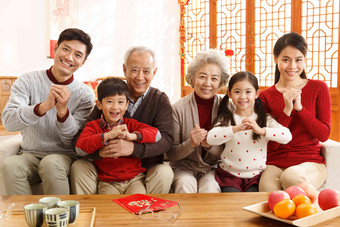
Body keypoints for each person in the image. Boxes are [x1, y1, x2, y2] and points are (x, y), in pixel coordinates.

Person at [1, 28, 95, 195]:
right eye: (65, 49)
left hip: (64, 156)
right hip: (30, 154)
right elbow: (9, 123)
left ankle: (60, 219)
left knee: (50, 163)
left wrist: (63, 112)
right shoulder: (27, 81)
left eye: (78, 55)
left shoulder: (85, 94)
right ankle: (25, 219)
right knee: (10, 165)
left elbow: (74, 141)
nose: (69, 57)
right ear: (55, 49)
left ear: (83, 61)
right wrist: (41, 108)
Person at [70, 46, 174, 194]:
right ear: (124, 69)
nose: (140, 77)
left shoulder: (159, 100)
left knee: (164, 172)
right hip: (109, 172)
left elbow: (166, 140)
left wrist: (133, 148)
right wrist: (103, 150)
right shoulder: (109, 96)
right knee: (79, 166)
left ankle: (150, 213)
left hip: (143, 169)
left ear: (154, 72)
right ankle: (92, 212)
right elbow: (79, 142)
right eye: (134, 70)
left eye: (146, 71)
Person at [258, 32, 331, 192]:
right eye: (286, 60)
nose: (292, 66)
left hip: (310, 163)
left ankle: (321, 212)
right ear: (275, 59)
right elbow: (271, 145)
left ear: (304, 60)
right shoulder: (265, 96)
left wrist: (300, 109)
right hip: (276, 162)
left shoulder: (318, 88)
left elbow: (323, 134)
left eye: (298, 60)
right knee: (266, 190)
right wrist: (287, 111)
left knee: (291, 176)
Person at [207, 71, 292, 192]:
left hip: (256, 177)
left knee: (251, 203)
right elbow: (210, 138)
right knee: (233, 203)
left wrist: (261, 131)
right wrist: (235, 129)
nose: (242, 96)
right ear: (229, 93)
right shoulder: (226, 118)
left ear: (257, 94)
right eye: (237, 91)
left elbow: (287, 136)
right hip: (229, 175)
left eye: (248, 92)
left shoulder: (264, 119)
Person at [75, 78, 161, 194]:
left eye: (120, 102)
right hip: (107, 182)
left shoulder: (131, 125)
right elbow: (80, 148)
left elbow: (157, 135)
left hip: (134, 179)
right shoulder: (93, 126)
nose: (115, 107)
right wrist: (107, 135)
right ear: (99, 104)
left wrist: (133, 136)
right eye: (109, 102)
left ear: (126, 105)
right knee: (110, 210)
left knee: (138, 206)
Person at [167, 49, 230, 193]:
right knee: (184, 186)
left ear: (221, 81)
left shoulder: (228, 107)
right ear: (192, 78)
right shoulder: (177, 109)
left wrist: (209, 145)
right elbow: (171, 154)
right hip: (183, 167)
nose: (207, 83)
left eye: (214, 78)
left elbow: (231, 149)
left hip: (214, 168)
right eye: (202, 76)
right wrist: (191, 143)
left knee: (210, 189)